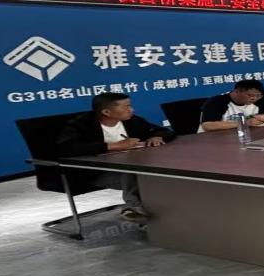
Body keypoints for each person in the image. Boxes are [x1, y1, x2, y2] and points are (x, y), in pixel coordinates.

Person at [56, 92, 175, 223]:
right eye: (126, 107)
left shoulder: (132, 121)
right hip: (94, 173)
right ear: (106, 112)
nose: (131, 110)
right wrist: (111, 146)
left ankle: (140, 212)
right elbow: (66, 148)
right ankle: (136, 209)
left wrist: (157, 136)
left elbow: (163, 131)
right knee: (135, 171)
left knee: (154, 174)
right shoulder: (81, 124)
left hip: (129, 167)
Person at [198, 79, 264, 133]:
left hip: (239, 135)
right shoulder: (217, 101)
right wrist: (244, 123)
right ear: (237, 91)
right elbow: (207, 125)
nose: (254, 98)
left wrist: (259, 117)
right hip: (211, 138)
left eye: (258, 95)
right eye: (250, 95)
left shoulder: (258, 99)